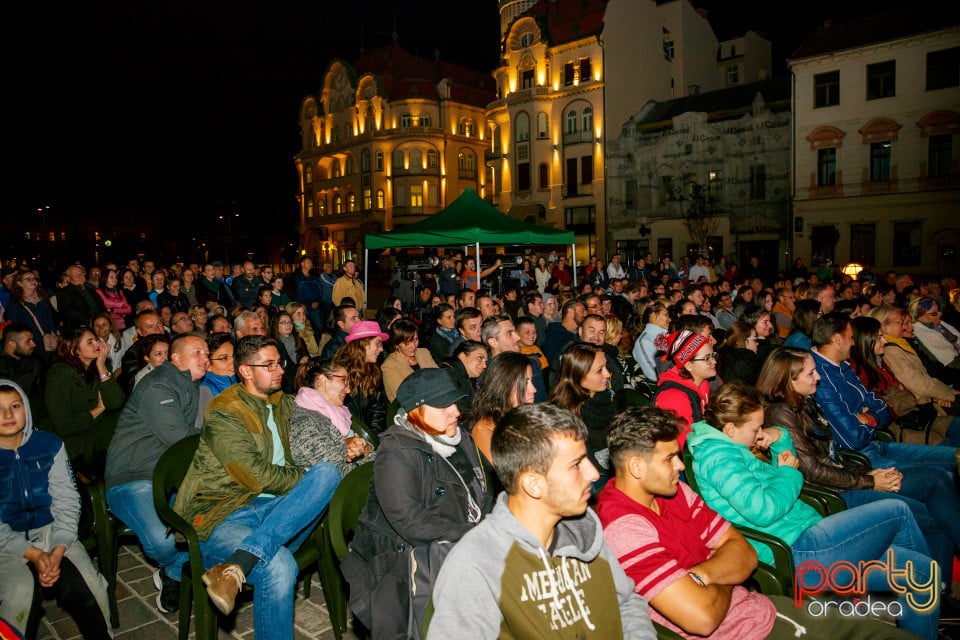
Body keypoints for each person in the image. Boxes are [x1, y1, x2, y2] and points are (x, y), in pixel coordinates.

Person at [597, 406, 914, 640]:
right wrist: (724, 570)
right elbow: (703, 618)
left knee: (910, 584)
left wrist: (703, 574)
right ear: (636, 467)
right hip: (746, 630)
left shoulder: (673, 490)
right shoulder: (625, 529)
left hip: (758, 607)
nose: (680, 465)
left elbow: (745, 554)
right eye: (669, 458)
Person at [687, 382, 942, 640]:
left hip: (807, 538)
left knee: (922, 572)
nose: (759, 434)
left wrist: (779, 436)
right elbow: (763, 509)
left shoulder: (730, 448)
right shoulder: (718, 458)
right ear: (730, 429)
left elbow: (777, 476)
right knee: (897, 511)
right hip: (798, 552)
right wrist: (788, 472)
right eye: (756, 428)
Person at [427, 403, 657, 639]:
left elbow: (626, 602)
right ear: (533, 484)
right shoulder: (478, 562)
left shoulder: (583, 532)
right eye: (576, 465)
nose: (594, 473)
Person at [172, 336, 341, 640]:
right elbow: (255, 478)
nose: (279, 370)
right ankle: (252, 556)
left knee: (328, 473)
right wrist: (304, 477)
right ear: (246, 371)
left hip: (274, 510)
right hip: (224, 513)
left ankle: (240, 562)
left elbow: (322, 424)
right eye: (269, 365)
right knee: (279, 566)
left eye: (280, 363)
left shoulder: (283, 402)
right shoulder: (225, 411)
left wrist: (348, 440)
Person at [758, 347, 960, 596]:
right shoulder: (780, 412)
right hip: (834, 495)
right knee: (930, 517)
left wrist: (874, 475)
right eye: (811, 373)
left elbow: (834, 455)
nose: (818, 377)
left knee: (936, 480)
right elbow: (813, 471)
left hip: (848, 480)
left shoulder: (802, 402)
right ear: (789, 379)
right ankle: (933, 591)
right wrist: (869, 481)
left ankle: (938, 590)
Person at [341, 368, 494, 639]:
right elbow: (411, 524)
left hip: (453, 538)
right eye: (444, 405)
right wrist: (477, 534)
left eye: (454, 402)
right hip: (403, 561)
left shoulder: (458, 437)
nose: (456, 412)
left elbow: (483, 490)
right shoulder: (396, 452)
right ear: (417, 410)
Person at [104, 332, 209, 614]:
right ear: (175, 358)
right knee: (162, 545)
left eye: (207, 354)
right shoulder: (160, 386)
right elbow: (182, 441)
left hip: (167, 477)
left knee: (213, 520)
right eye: (197, 352)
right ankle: (174, 568)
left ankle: (174, 575)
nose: (205, 358)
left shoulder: (190, 385)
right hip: (132, 478)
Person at [0, 380, 112, 639]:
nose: (7, 415)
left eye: (15, 406)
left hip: (51, 531)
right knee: (19, 593)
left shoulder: (48, 445)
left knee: (90, 586)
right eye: (0, 409)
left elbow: (67, 499)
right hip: (5, 544)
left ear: (25, 408)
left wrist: (59, 547)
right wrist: (34, 555)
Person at [810, 312, 958, 474]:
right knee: (938, 476)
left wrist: (867, 417)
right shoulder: (821, 378)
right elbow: (854, 438)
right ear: (838, 340)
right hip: (865, 456)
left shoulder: (843, 365)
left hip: (880, 442)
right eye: (851, 337)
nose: (853, 343)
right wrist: (873, 417)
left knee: (953, 457)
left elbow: (883, 407)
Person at [865, 309, 960, 444]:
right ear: (884, 326)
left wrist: (936, 397)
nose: (905, 327)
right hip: (916, 412)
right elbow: (917, 386)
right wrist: (945, 394)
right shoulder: (890, 351)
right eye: (901, 322)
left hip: (924, 405)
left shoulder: (899, 345)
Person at [45, 327, 125, 463]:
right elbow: (64, 426)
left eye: (96, 340)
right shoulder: (59, 374)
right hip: (77, 442)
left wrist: (101, 365)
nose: (97, 344)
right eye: (90, 342)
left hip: (102, 432)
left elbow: (115, 402)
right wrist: (98, 409)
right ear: (74, 350)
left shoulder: (101, 367)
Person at [289, 357, 374, 476]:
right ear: (322, 381)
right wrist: (369, 458)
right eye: (343, 380)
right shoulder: (305, 422)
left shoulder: (336, 413)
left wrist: (365, 449)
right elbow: (339, 474)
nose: (349, 389)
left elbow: (365, 448)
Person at [549, 343, 615, 483]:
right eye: (599, 371)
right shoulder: (566, 417)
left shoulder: (604, 398)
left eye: (606, 367)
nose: (607, 374)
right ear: (580, 375)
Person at [469, 352, 536, 465]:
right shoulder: (485, 430)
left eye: (531, 381)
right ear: (505, 386)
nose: (533, 389)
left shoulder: (524, 419)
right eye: (525, 383)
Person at [652, 330, 716, 448]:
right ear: (688, 365)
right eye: (707, 358)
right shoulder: (673, 396)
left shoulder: (703, 384)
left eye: (713, 356)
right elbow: (685, 445)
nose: (714, 361)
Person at [333, 321, 389, 435]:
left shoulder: (374, 372)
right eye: (378, 343)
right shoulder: (338, 373)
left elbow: (377, 409)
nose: (381, 349)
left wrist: (373, 438)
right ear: (364, 343)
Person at [381, 319, 438, 402]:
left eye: (415, 339)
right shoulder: (389, 366)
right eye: (406, 343)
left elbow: (439, 377)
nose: (413, 346)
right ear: (396, 344)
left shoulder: (424, 353)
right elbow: (404, 396)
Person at [444, 339, 487, 424]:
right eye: (480, 358)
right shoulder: (448, 376)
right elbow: (463, 412)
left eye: (485, 361)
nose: (484, 365)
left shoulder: (468, 379)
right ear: (462, 355)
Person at [270, 311, 309, 394]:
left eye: (289, 322)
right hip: (285, 384)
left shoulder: (299, 340)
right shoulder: (274, 345)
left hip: (301, 380)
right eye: (283, 322)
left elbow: (306, 356)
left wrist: (306, 359)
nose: (288, 325)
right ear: (276, 326)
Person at [633, 301, 669, 382]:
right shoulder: (644, 342)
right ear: (654, 316)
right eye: (665, 315)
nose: (669, 319)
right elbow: (652, 373)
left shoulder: (666, 336)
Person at [715, 320, 761, 385]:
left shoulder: (719, 356)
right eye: (755, 339)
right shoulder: (747, 359)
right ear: (742, 339)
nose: (757, 343)